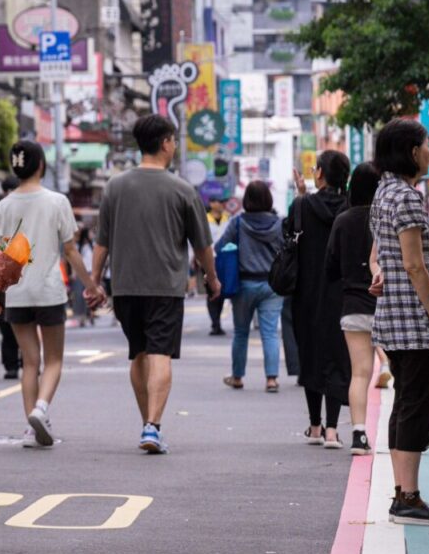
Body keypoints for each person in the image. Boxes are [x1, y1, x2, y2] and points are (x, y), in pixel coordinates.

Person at [88, 114, 217, 455]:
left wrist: (94, 281)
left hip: (125, 287)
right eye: (173, 140)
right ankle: (153, 425)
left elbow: (102, 241)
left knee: (139, 353)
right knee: (160, 353)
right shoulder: (182, 189)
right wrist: (212, 278)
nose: (174, 146)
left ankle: (147, 422)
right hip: (164, 286)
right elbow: (202, 245)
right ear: (164, 143)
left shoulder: (115, 186)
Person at [370, 118, 429, 526]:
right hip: (414, 321)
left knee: (406, 404)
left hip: (394, 318)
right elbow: (413, 264)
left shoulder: (382, 193)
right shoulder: (406, 198)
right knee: (414, 406)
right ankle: (408, 497)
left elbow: (385, 257)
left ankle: (402, 494)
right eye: (426, 145)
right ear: (412, 151)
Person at [0, 140, 104, 447]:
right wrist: (92, 285)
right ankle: (41, 409)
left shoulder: (3, 206)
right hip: (49, 290)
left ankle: (30, 429)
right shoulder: (57, 202)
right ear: (41, 165)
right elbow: (70, 250)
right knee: (54, 360)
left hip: (16, 293)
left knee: (30, 362)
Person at [287, 151, 352, 445]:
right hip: (341, 292)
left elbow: (288, 235)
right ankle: (333, 429)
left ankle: (314, 425)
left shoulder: (302, 206)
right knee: (338, 357)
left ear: (320, 175)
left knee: (310, 354)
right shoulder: (351, 207)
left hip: (307, 294)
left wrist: (301, 197)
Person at [324, 161, 382, 456]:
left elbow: (330, 266)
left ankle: (359, 434)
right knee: (400, 371)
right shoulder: (385, 219)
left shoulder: (343, 220)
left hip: (353, 305)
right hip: (386, 305)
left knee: (359, 373)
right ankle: (401, 434)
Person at [218, 181, 287, 393]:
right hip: (272, 285)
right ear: (268, 199)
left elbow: (220, 247)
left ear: (246, 200)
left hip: (244, 284)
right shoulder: (280, 223)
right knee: (270, 333)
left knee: (241, 332)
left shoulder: (237, 223)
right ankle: (272, 379)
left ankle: (237, 377)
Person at [205, 200, 230, 335]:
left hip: (226, 260)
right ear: (212, 203)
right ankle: (215, 323)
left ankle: (217, 321)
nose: (221, 204)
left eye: (222, 202)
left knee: (222, 292)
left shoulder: (228, 218)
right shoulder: (204, 219)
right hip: (209, 259)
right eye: (218, 202)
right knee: (211, 292)